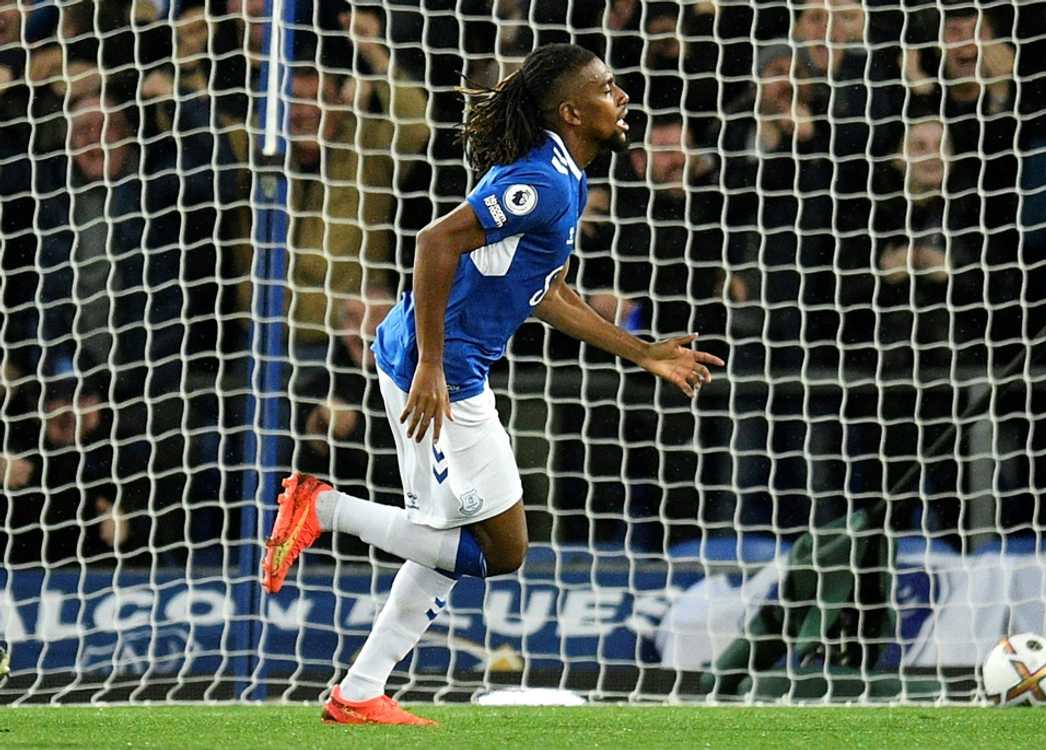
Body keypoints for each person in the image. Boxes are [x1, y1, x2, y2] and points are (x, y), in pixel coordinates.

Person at [259, 43, 723, 725]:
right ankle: (321, 508)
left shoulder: (567, 175)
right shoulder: (545, 181)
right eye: (606, 88)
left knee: (447, 541)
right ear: (571, 111)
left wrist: (643, 353)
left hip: (441, 364)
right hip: (438, 373)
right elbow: (434, 242)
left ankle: (359, 692)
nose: (620, 96)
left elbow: (548, 294)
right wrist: (432, 366)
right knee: (500, 551)